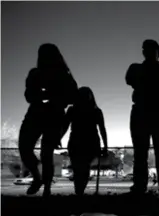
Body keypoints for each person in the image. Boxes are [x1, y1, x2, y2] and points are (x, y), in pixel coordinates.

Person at [19, 43, 78, 196]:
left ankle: (46, 189)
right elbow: (28, 96)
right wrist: (52, 95)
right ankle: (38, 178)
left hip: (54, 116)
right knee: (24, 148)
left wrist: (47, 96)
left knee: (46, 153)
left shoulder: (64, 75)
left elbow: (73, 95)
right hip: (35, 115)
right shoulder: (35, 74)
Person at [125, 39, 159, 194]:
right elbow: (129, 80)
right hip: (142, 112)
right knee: (140, 152)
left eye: (152, 49)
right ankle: (140, 186)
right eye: (146, 49)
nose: (149, 52)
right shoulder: (136, 68)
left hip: (158, 112)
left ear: (158, 53)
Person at [61, 87, 108, 196]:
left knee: (78, 168)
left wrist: (58, 138)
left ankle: (79, 192)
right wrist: (105, 146)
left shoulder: (72, 110)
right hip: (90, 142)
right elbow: (102, 130)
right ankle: (79, 192)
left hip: (77, 142)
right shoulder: (96, 111)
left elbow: (64, 127)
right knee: (84, 168)